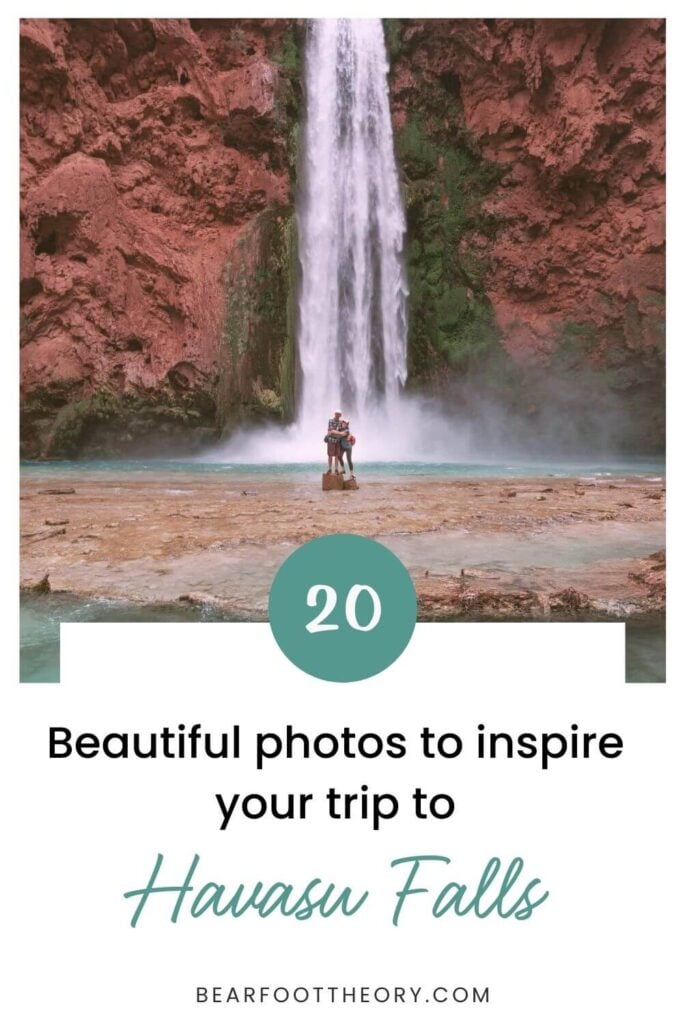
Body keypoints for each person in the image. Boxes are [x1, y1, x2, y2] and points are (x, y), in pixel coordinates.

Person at [324, 409, 343, 474]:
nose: (338, 415)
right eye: (337, 414)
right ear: (335, 414)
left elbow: (343, 431)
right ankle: (329, 469)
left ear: (340, 415)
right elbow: (331, 430)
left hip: (337, 441)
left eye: (339, 414)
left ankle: (336, 469)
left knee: (337, 455)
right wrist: (339, 433)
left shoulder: (341, 422)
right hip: (331, 440)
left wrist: (336, 433)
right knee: (330, 455)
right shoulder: (331, 420)